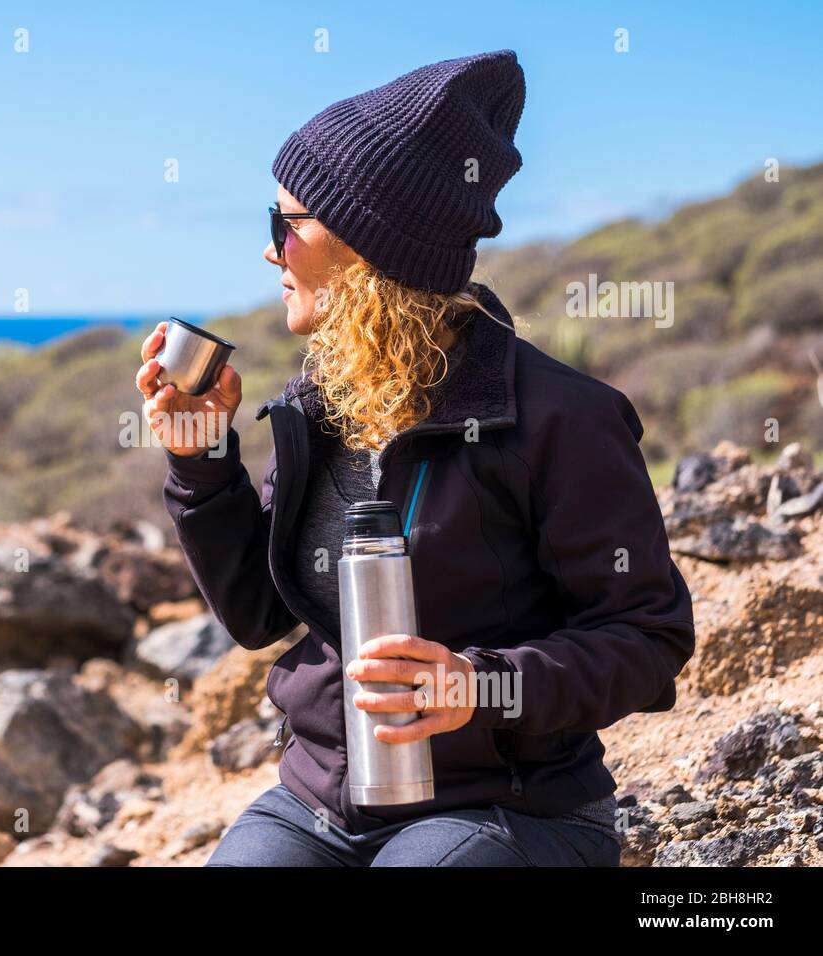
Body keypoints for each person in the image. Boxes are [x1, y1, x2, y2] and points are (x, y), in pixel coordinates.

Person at [134, 51, 695, 866]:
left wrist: (480, 685)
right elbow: (259, 614)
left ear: (369, 248)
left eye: (285, 225)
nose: (269, 252)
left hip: (510, 809)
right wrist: (200, 460)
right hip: (318, 800)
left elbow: (648, 640)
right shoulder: (317, 402)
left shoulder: (561, 417)